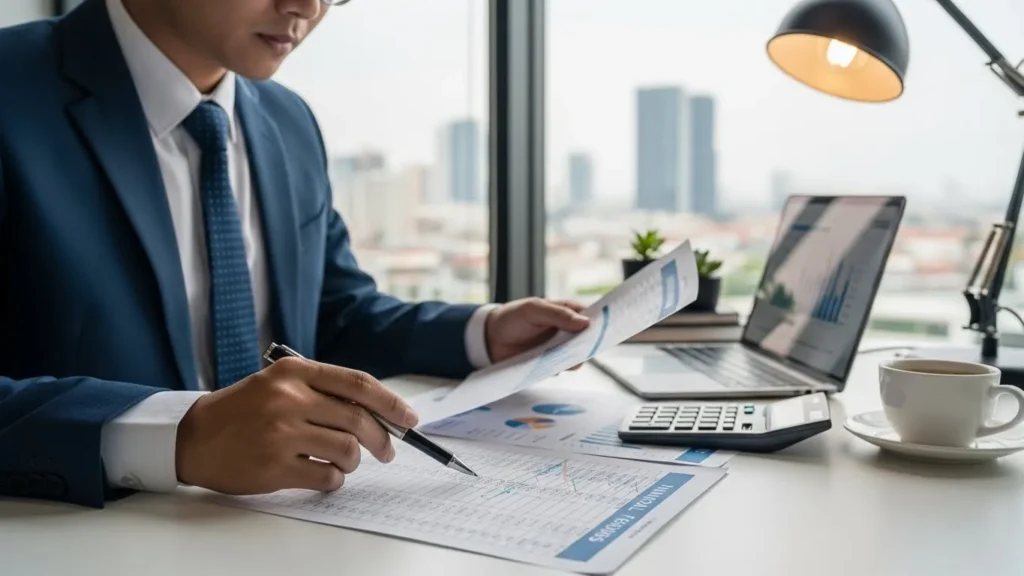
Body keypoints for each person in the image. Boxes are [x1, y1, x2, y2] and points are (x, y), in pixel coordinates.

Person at [0, 0, 590, 508]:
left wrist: (480, 334)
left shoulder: (287, 121)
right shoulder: (11, 90)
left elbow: (334, 316)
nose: (307, 8)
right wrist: (175, 436)